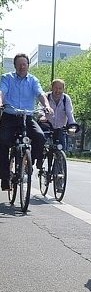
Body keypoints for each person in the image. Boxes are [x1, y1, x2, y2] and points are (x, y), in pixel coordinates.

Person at [0, 53, 53, 191]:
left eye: (24, 64)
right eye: (19, 64)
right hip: (10, 116)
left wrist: (47, 105)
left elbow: (40, 94)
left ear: (28, 65)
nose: (22, 66)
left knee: (40, 137)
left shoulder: (33, 80)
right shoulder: (7, 78)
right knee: (3, 141)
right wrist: (0, 102)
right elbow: (2, 92)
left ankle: (30, 162)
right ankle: (5, 177)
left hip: (27, 116)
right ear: (15, 66)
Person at [43, 78, 78, 151]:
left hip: (60, 128)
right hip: (47, 127)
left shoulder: (66, 98)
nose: (58, 91)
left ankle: (60, 160)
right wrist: (42, 116)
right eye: (55, 88)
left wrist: (73, 126)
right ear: (51, 88)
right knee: (41, 146)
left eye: (60, 88)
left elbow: (69, 113)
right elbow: (39, 108)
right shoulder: (46, 97)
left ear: (63, 89)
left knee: (62, 149)